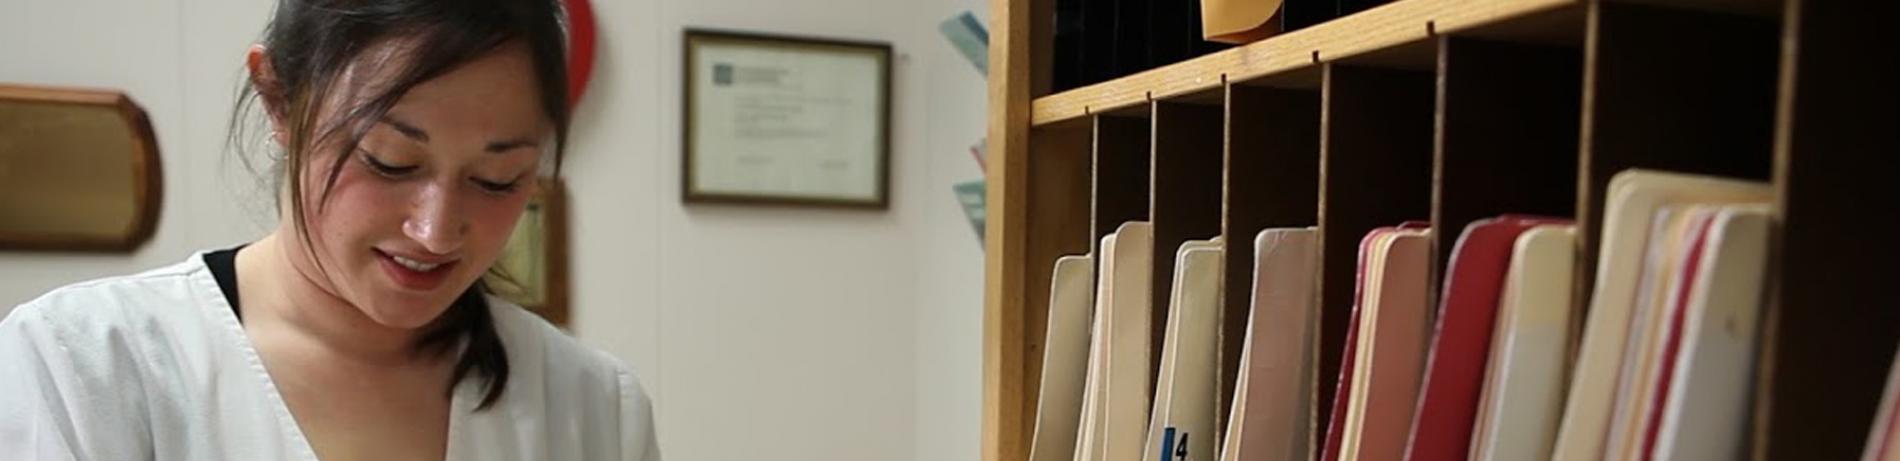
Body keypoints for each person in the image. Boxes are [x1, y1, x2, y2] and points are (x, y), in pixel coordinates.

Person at [0, 0, 660, 459]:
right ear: (279, 100)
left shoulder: (590, 405)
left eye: (498, 178)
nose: (435, 230)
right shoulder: (86, 364)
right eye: (389, 159)